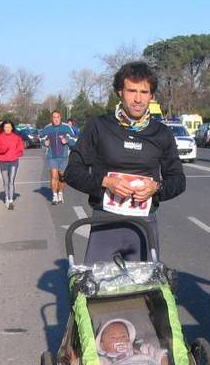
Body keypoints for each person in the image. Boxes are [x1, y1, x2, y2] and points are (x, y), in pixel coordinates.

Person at [65, 61, 185, 263]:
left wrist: (156, 187)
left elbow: (178, 180)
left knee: (145, 291)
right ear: (120, 92)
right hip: (105, 221)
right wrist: (105, 182)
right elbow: (72, 172)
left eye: (144, 92)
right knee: (99, 291)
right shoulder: (99, 126)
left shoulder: (162, 133)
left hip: (143, 225)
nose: (138, 99)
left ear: (152, 96)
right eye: (131, 91)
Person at [41, 110, 76, 205]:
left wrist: (67, 140)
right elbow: (42, 138)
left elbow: (74, 139)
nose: (56, 119)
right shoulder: (48, 128)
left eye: (57, 117)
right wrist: (45, 142)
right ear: (51, 118)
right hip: (52, 156)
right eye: (54, 117)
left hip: (64, 156)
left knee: (62, 176)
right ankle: (54, 196)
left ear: (60, 118)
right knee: (54, 175)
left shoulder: (66, 127)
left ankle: (60, 193)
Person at [0, 119, 24, 210]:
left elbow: (21, 148)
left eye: (9, 127)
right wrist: (2, 149)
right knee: (6, 181)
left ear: (12, 128)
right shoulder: (0, 137)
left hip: (14, 161)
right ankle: (6, 196)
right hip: (3, 161)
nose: (7, 129)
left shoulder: (16, 137)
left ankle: (11, 200)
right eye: (6, 127)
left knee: (11, 181)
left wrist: (18, 153)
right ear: (3, 128)